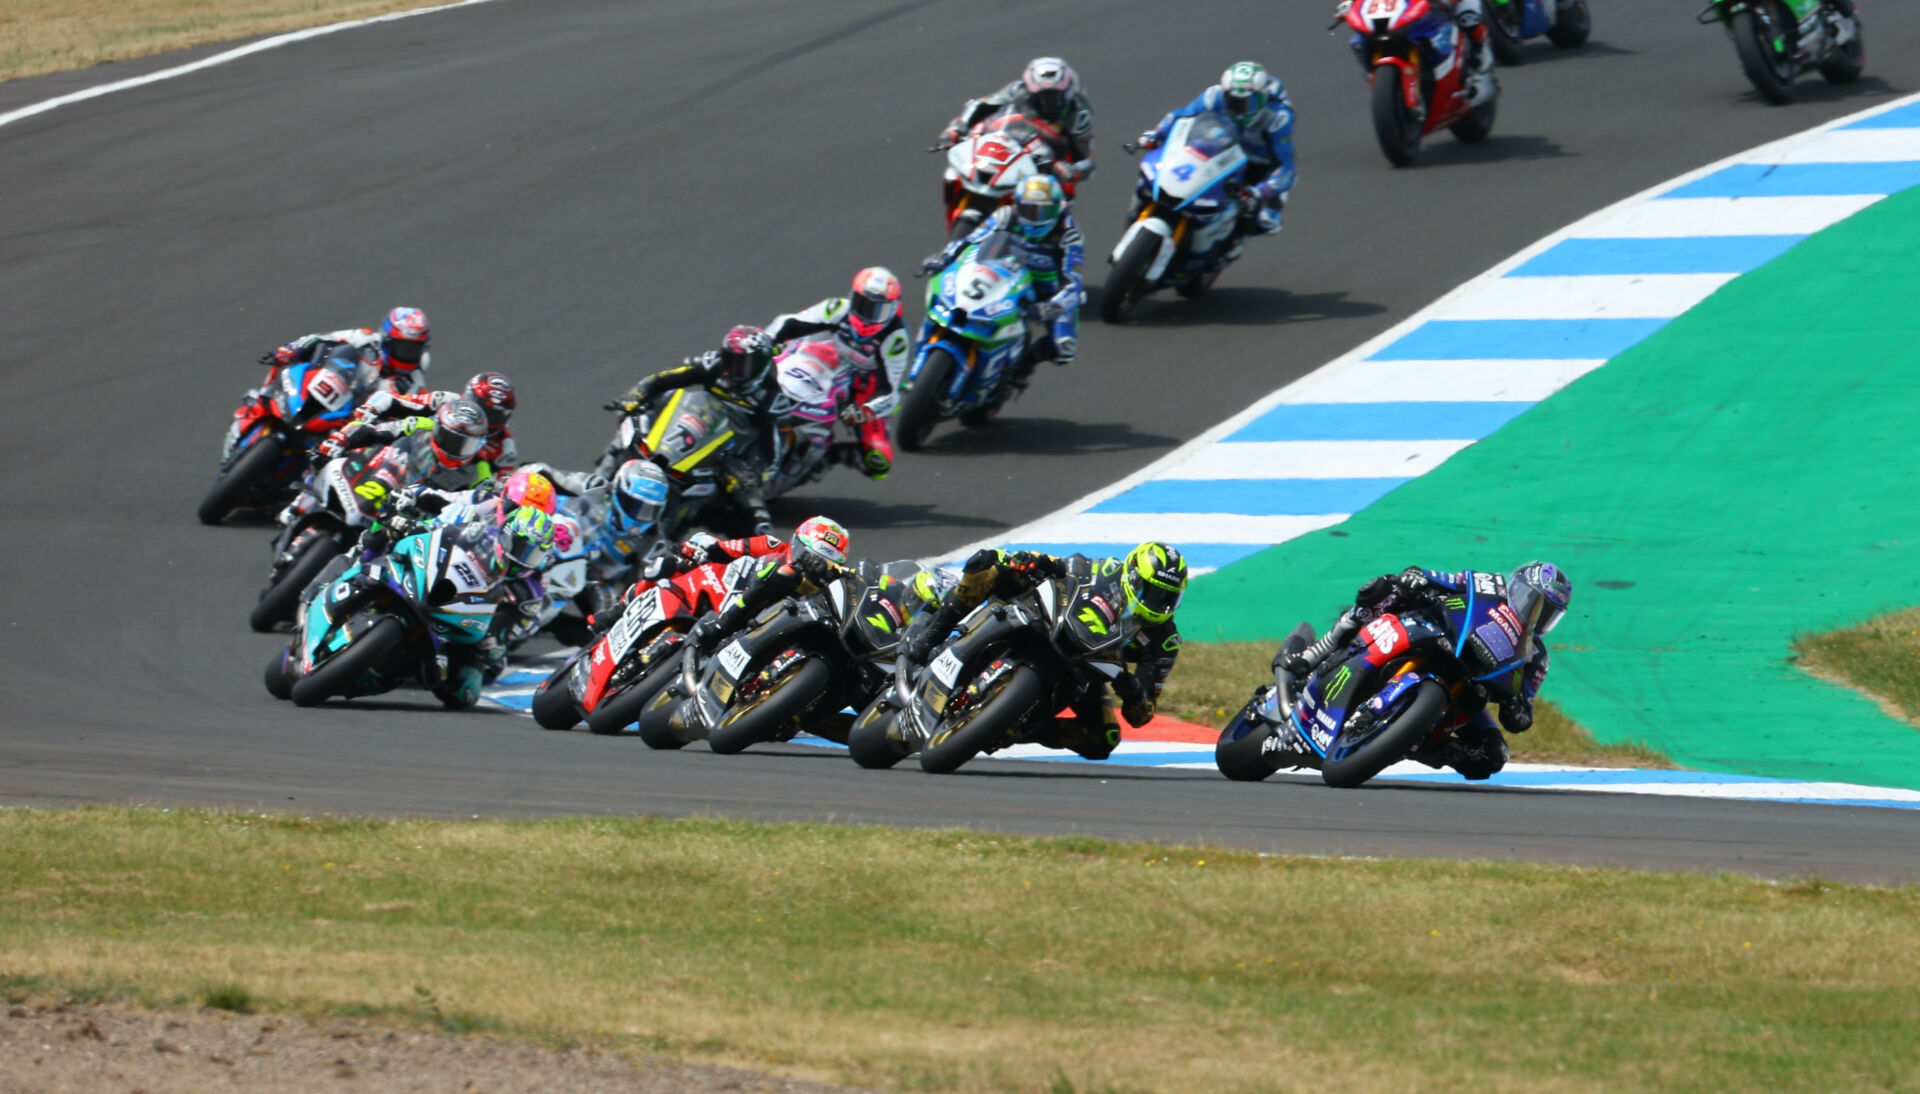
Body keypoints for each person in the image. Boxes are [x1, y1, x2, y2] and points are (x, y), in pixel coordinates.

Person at [899, 543, 1187, 760]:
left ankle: (1019, 727)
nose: (1160, 603)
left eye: (1169, 597)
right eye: (1153, 592)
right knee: (989, 563)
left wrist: (1134, 690)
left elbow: (1142, 714)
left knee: (1103, 739)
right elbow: (1060, 563)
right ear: (1133, 577)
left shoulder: (1164, 641)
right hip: (1047, 621)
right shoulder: (1106, 571)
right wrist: (1032, 562)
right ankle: (931, 637)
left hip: (1085, 668)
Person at [1283, 561, 1571, 779]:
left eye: (1548, 613)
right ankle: (1315, 654)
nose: (1538, 615)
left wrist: (1516, 707)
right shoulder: (1488, 586)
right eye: (1536, 603)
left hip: (1468, 686)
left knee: (1493, 756)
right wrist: (1419, 578)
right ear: (1519, 588)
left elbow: (1523, 712)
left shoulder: (1536, 657)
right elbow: (1441, 579)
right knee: (1382, 590)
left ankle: (1416, 744)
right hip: (1434, 639)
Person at [360, 505, 556, 708]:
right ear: (506, 535)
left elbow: (516, 630)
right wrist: (414, 526)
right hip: (437, 586)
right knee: (376, 543)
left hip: (467, 632)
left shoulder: (529, 592)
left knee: (464, 693)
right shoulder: (479, 532)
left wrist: (494, 643)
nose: (523, 558)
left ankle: (396, 671)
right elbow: (442, 528)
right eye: (522, 548)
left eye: (533, 555)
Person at [604, 326, 780, 534]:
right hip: (698, 424)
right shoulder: (715, 365)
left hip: (729, 450)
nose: (733, 368)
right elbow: (664, 379)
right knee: (635, 420)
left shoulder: (770, 397)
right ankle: (600, 479)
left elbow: (770, 450)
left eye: (742, 364)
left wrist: (755, 472)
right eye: (730, 359)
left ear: (759, 365)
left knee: (744, 510)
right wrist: (637, 394)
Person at [921, 174, 1084, 386]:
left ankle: (1027, 360)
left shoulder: (1069, 233)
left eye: (1044, 212)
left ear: (1058, 208)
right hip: (1005, 273)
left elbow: (1073, 284)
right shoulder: (1006, 214)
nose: (1035, 218)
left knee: (1064, 347)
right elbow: (971, 239)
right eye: (1029, 210)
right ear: (1017, 204)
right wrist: (944, 256)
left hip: (1046, 292)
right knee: (945, 293)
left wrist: (1050, 307)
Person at [1134, 62, 1296, 265]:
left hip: (1258, 164)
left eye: (1249, 102)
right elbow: (1182, 115)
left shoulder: (1278, 117)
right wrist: (1156, 133)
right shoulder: (1214, 95)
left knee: (1266, 220)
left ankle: (1232, 243)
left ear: (1263, 96)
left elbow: (1286, 165)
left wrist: (1263, 190)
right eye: (1234, 101)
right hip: (1220, 148)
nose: (1240, 109)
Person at [765, 267, 907, 480]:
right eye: (863, 305)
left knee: (878, 462)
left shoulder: (895, 339)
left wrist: (865, 411)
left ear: (894, 308)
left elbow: (890, 394)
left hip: (860, 389)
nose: (868, 316)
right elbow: (791, 323)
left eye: (879, 310)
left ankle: (831, 457)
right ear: (853, 297)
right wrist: (767, 339)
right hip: (815, 359)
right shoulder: (837, 308)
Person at [684, 516, 855, 653]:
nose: (811, 566)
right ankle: (720, 625)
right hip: (726, 601)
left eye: (823, 563)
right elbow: (724, 547)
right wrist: (701, 547)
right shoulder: (772, 545)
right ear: (795, 542)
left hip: (774, 632)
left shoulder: (832, 582)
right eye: (806, 555)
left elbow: (855, 581)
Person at [939, 57, 1096, 188]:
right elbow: (982, 105)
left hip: (1047, 168)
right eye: (1041, 97)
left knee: (1058, 203)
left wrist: (1071, 169)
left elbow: (1088, 161)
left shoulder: (1079, 116)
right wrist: (957, 127)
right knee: (954, 176)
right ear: (1030, 91)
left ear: (1067, 91)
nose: (1048, 104)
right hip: (1010, 147)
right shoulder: (1017, 90)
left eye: (1054, 97)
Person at [322, 371, 518, 473]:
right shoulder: (446, 400)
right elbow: (392, 399)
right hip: (407, 447)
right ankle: (334, 449)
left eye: (495, 415)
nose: (482, 417)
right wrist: (369, 411)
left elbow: (500, 489)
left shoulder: (505, 449)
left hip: (443, 484)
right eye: (482, 407)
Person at [261, 306, 432, 401]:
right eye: (403, 347)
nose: (407, 354)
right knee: (285, 365)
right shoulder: (364, 339)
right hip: (326, 390)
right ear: (387, 340)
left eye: (414, 349)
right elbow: (321, 339)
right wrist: (291, 349)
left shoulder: (415, 385)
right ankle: (263, 397)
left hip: (350, 425)